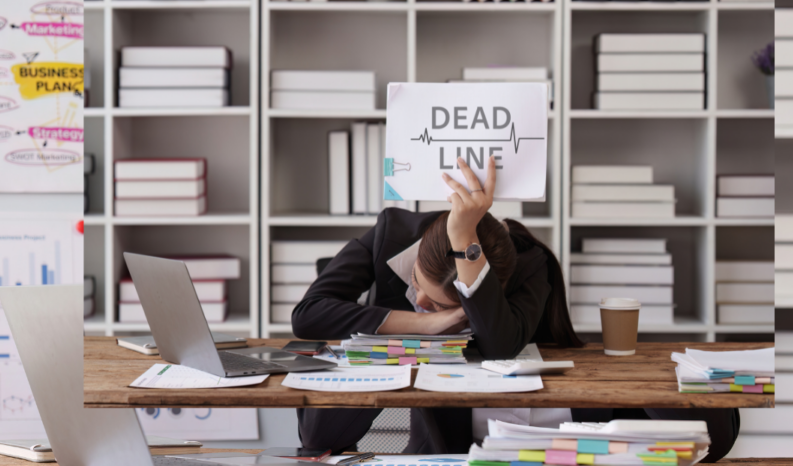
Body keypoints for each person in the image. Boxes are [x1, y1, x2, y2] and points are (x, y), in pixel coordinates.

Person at [292, 156, 739, 460]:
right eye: (416, 286)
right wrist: (428, 323)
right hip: (453, 443)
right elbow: (309, 314)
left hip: (550, 420)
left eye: (449, 303)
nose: (421, 302)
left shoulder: (528, 261)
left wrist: (467, 245)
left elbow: (501, 343)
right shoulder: (391, 231)